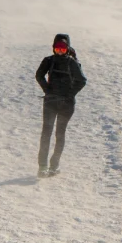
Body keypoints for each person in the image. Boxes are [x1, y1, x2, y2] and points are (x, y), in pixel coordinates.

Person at [34, 34, 86, 177]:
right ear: (53, 49)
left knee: (59, 134)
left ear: (68, 49)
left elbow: (82, 80)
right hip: (51, 102)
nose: (60, 51)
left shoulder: (72, 63)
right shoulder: (48, 61)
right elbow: (39, 75)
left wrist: (69, 94)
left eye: (63, 49)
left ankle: (53, 166)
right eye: (57, 49)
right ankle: (43, 167)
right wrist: (47, 90)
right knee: (46, 133)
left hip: (66, 105)